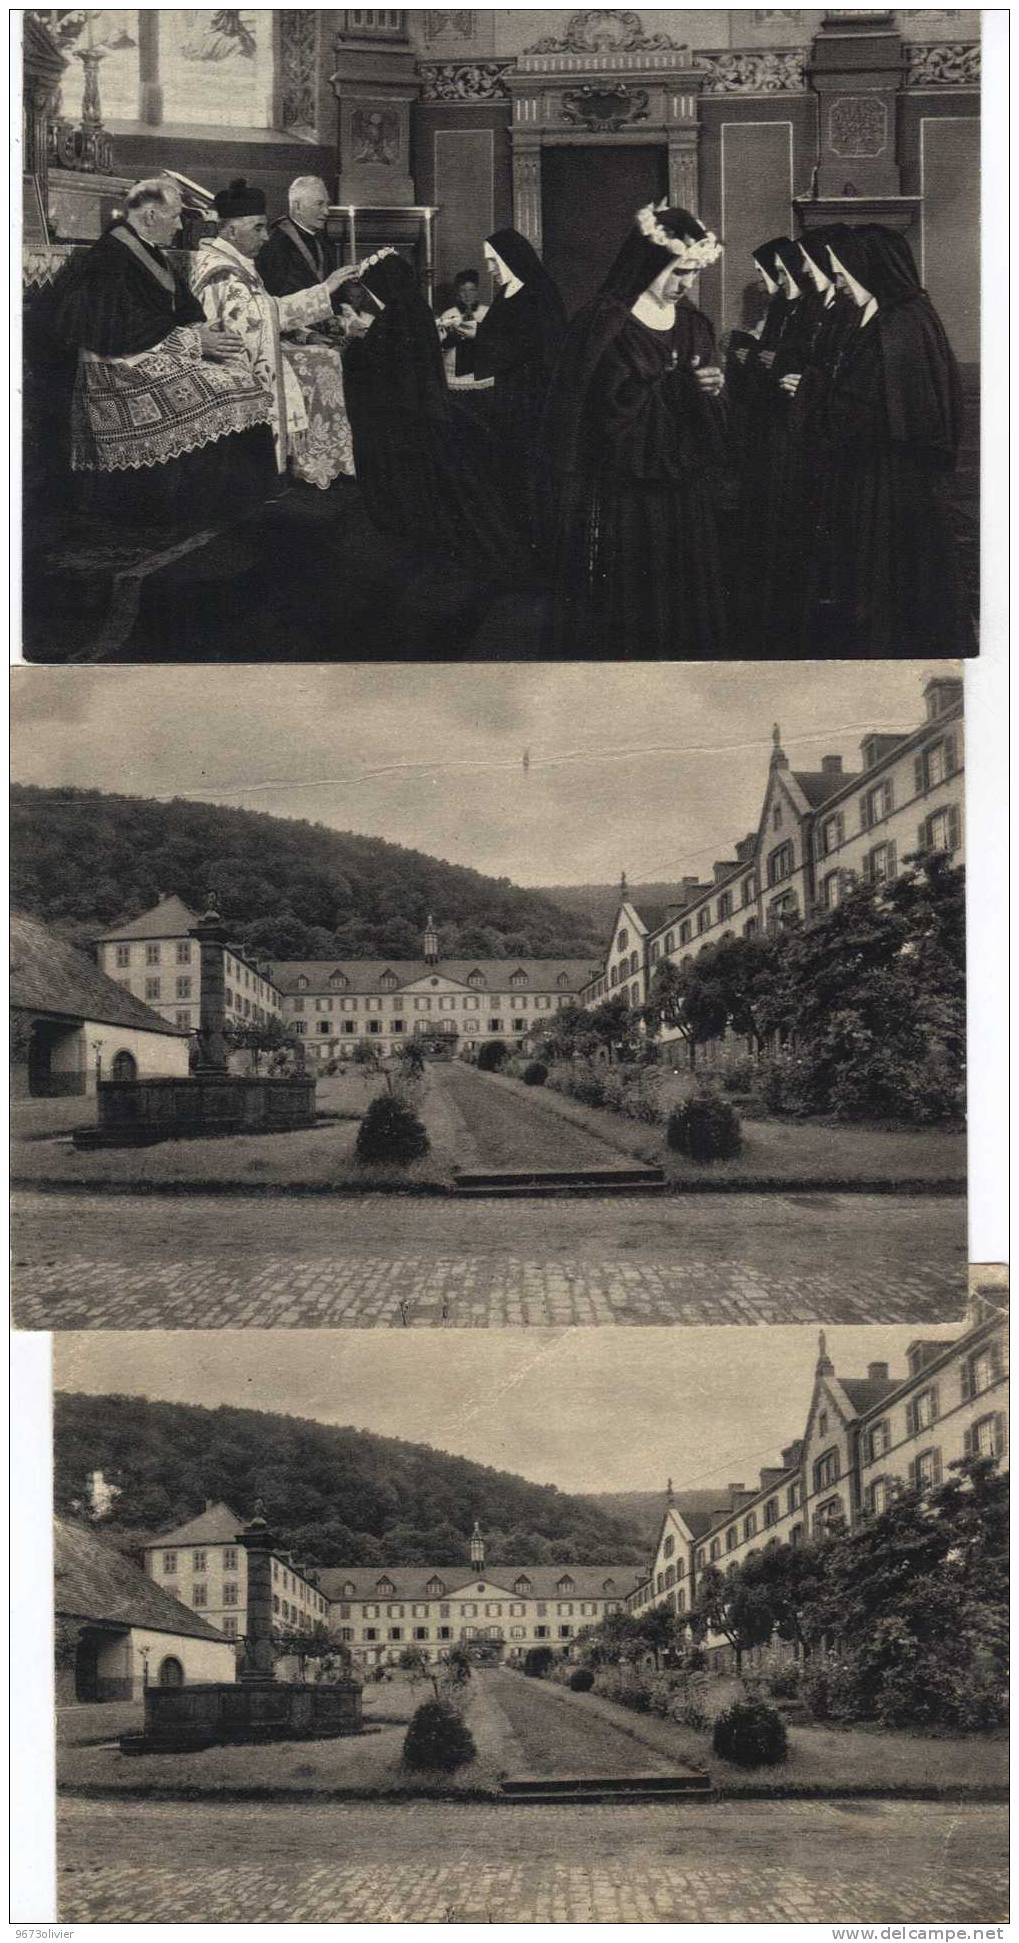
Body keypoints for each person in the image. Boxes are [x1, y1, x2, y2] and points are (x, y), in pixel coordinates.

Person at [544, 203, 726, 656]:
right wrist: (679, 387)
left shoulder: (695, 325)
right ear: (649, 262)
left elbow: (712, 406)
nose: (685, 285)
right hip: (626, 491)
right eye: (677, 271)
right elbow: (596, 414)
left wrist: (715, 387)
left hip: (683, 489)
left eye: (693, 274)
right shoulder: (604, 324)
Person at [46, 175, 275, 524]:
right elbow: (115, 328)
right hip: (116, 369)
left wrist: (201, 329)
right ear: (151, 216)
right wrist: (196, 341)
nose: (181, 225)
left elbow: (179, 307)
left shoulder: (148, 250)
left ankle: (238, 504)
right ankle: (185, 508)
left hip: (147, 355)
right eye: (175, 216)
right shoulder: (111, 254)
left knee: (240, 384)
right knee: (225, 391)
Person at [804, 224, 969, 655]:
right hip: (877, 470)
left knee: (898, 574)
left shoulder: (902, 320)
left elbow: (882, 405)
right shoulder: (887, 313)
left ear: (868, 269)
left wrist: (823, 404)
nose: (837, 281)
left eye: (842, 273)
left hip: (894, 474)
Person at [341, 246, 521, 572]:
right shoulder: (414, 310)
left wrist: (352, 345)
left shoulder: (393, 320)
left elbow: (372, 371)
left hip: (403, 425)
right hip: (422, 413)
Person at [192, 178, 357, 487]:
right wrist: (324, 292)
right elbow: (261, 320)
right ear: (230, 230)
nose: (266, 237)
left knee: (324, 359)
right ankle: (310, 463)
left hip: (254, 349)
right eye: (258, 228)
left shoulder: (237, 262)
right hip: (233, 357)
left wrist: (326, 293)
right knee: (322, 363)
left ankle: (317, 461)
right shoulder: (222, 270)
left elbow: (266, 311)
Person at [470, 228, 566, 551]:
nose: (490, 269)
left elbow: (536, 344)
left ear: (509, 258)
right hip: (511, 394)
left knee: (530, 471)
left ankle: (537, 544)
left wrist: (480, 336)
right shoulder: (509, 291)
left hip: (533, 397)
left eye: (492, 261)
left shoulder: (539, 292)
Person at [435, 268, 489, 384]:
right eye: (463, 290)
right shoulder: (449, 314)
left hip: (480, 371)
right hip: (453, 372)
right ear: (458, 293)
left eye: (472, 290)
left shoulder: (487, 313)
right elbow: (439, 346)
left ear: (477, 291)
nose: (467, 295)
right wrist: (449, 340)